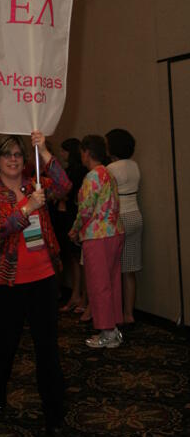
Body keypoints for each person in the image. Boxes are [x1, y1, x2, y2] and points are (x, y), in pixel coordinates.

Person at [0, 131, 71, 437]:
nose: (14, 160)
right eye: (7, 155)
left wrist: (43, 150)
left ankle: (54, 414)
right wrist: (27, 208)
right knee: (3, 344)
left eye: (18, 154)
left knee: (47, 349)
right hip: (5, 282)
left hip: (43, 278)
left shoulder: (37, 183)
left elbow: (65, 185)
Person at [69, 135, 124, 348]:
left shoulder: (92, 177)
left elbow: (85, 211)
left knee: (98, 284)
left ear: (86, 153)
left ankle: (106, 331)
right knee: (111, 281)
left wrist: (74, 231)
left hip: (97, 236)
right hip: (114, 232)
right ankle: (113, 328)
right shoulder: (108, 173)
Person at [106, 129, 143, 324]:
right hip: (135, 215)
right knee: (130, 269)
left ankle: (114, 314)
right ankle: (129, 314)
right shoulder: (134, 166)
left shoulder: (111, 168)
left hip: (118, 217)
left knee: (112, 269)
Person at [54, 138, 88, 316]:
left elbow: (66, 192)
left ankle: (80, 295)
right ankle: (76, 294)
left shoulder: (78, 172)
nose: (62, 154)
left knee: (78, 259)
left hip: (74, 216)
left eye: (64, 151)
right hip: (66, 215)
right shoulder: (70, 171)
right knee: (73, 258)